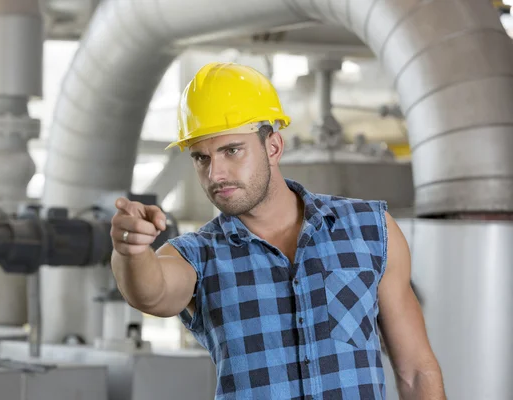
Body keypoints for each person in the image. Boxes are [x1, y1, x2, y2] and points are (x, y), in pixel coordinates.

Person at [110, 62, 445, 399]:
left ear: (273, 146)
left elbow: (416, 372)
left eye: (231, 150)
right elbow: (151, 293)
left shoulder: (368, 229)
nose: (215, 174)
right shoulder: (198, 255)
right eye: (201, 158)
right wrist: (131, 251)